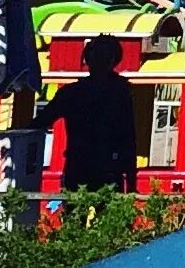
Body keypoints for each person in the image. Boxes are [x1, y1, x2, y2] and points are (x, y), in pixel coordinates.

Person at [35, 33, 141, 192]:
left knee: (77, 213)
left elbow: (41, 121)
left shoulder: (72, 92)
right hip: (107, 169)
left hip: (79, 167)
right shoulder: (121, 92)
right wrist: (132, 183)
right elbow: (128, 139)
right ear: (113, 60)